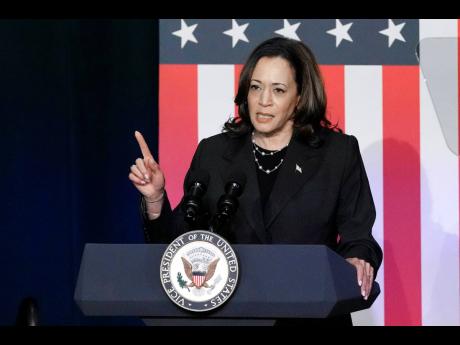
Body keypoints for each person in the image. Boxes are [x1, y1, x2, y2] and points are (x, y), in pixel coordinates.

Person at [129, 37, 383, 326]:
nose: (264, 101)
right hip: (231, 317)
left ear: (300, 97)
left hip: (311, 315)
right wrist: (155, 198)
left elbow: (359, 237)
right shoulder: (213, 152)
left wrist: (357, 260)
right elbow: (183, 244)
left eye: (278, 90)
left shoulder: (337, 153)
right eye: (256, 87)